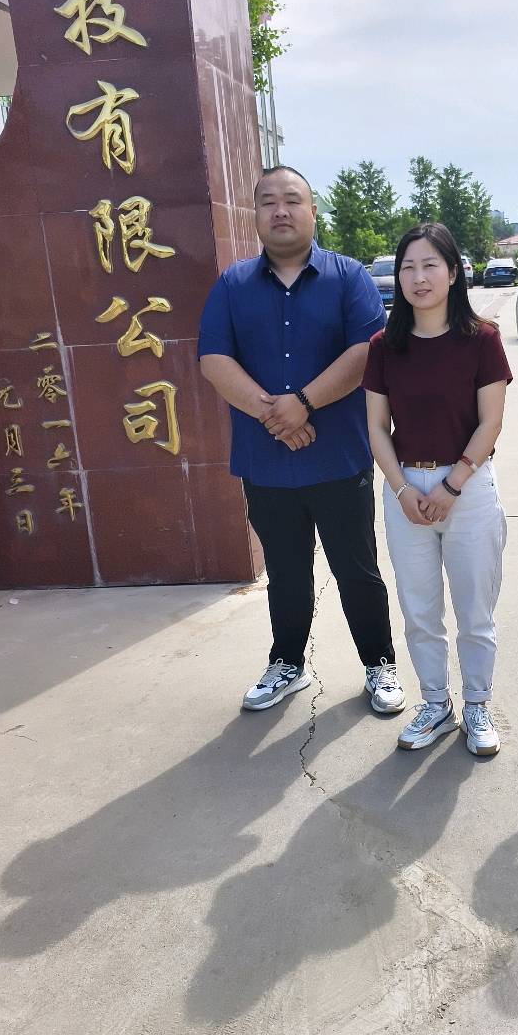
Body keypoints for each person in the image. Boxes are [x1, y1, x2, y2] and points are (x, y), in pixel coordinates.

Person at [198, 165, 405, 716]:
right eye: (268, 202)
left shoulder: (348, 277)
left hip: (339, 457)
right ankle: (287, 664)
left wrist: (304, 403)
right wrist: (275, 415)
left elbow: (368, 350)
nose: (281, 211)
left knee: (357, 570)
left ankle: (379, 664)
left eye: (292, 200)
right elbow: (213, 358)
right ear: (255, 215)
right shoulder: (233, 285)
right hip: (266, 462)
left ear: (313, 212)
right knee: (286, 572)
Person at [363, 222, 511, 757]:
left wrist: (452, 484)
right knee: (420, 610)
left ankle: (476, 704)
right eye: (408, 267)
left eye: (430, 265)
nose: (418, 277)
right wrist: (401, 489)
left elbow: (490, 422)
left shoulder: (482, 339)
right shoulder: (385, 346)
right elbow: (377, 427)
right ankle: (435, 703)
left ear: (453, 273)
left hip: (467, 489)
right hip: (405, 489)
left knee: (475, 611)